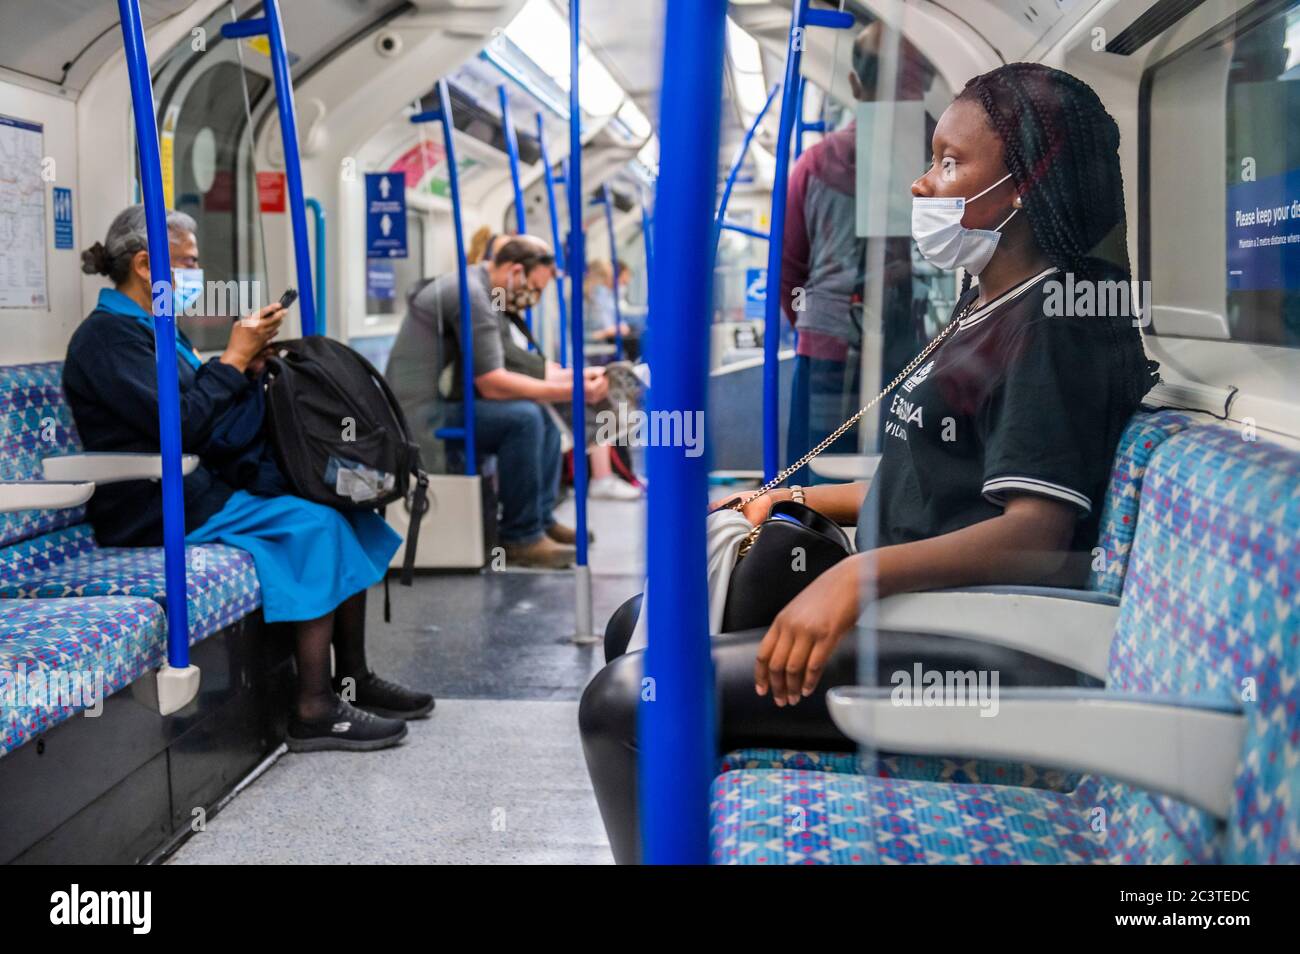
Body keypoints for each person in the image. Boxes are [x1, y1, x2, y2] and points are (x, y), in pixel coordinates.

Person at [580, 63, 1158, 863]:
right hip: (925, 603)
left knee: (624, 703)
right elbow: (930, 483)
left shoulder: (1057, 318)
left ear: (1028, 183)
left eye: (951, 164)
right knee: (632, 626)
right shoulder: (982, 304)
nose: (923, 185)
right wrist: (791, 499)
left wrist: (850, 579)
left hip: (989, 638)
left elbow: (1037, 534)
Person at [67, 206, 433, 753]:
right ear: (145, 265)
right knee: (315, 524)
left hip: (202, 485)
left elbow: (198, 407)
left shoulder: (159, 330)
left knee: (350, 505)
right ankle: (313, 709)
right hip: (155, 504)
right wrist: (232, 362)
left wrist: (246, 367)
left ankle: (351, 676)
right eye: (187, 264)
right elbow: (181, 426)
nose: (196, 275)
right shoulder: (109, 339)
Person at [387, 235, 617, 569]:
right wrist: (575, 392)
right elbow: (493, 383)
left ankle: (539, 518)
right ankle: (520, 537)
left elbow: (514, 361)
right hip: (418, 413)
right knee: (523, 419)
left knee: (542, 411)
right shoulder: (474, 296)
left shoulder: (489, 291)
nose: (533, 298)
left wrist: (579, 378)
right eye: (534, 289)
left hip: (442, 401)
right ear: (514, 271)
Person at [782, 22, 936, 483]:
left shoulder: (813, 163)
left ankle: (820, 552)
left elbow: (788, 273)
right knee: (903, 480)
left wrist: (828, 330)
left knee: (820, 481)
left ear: (853, 83)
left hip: (830, 350)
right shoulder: (948, 158)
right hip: (917, 347)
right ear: (926, 81)